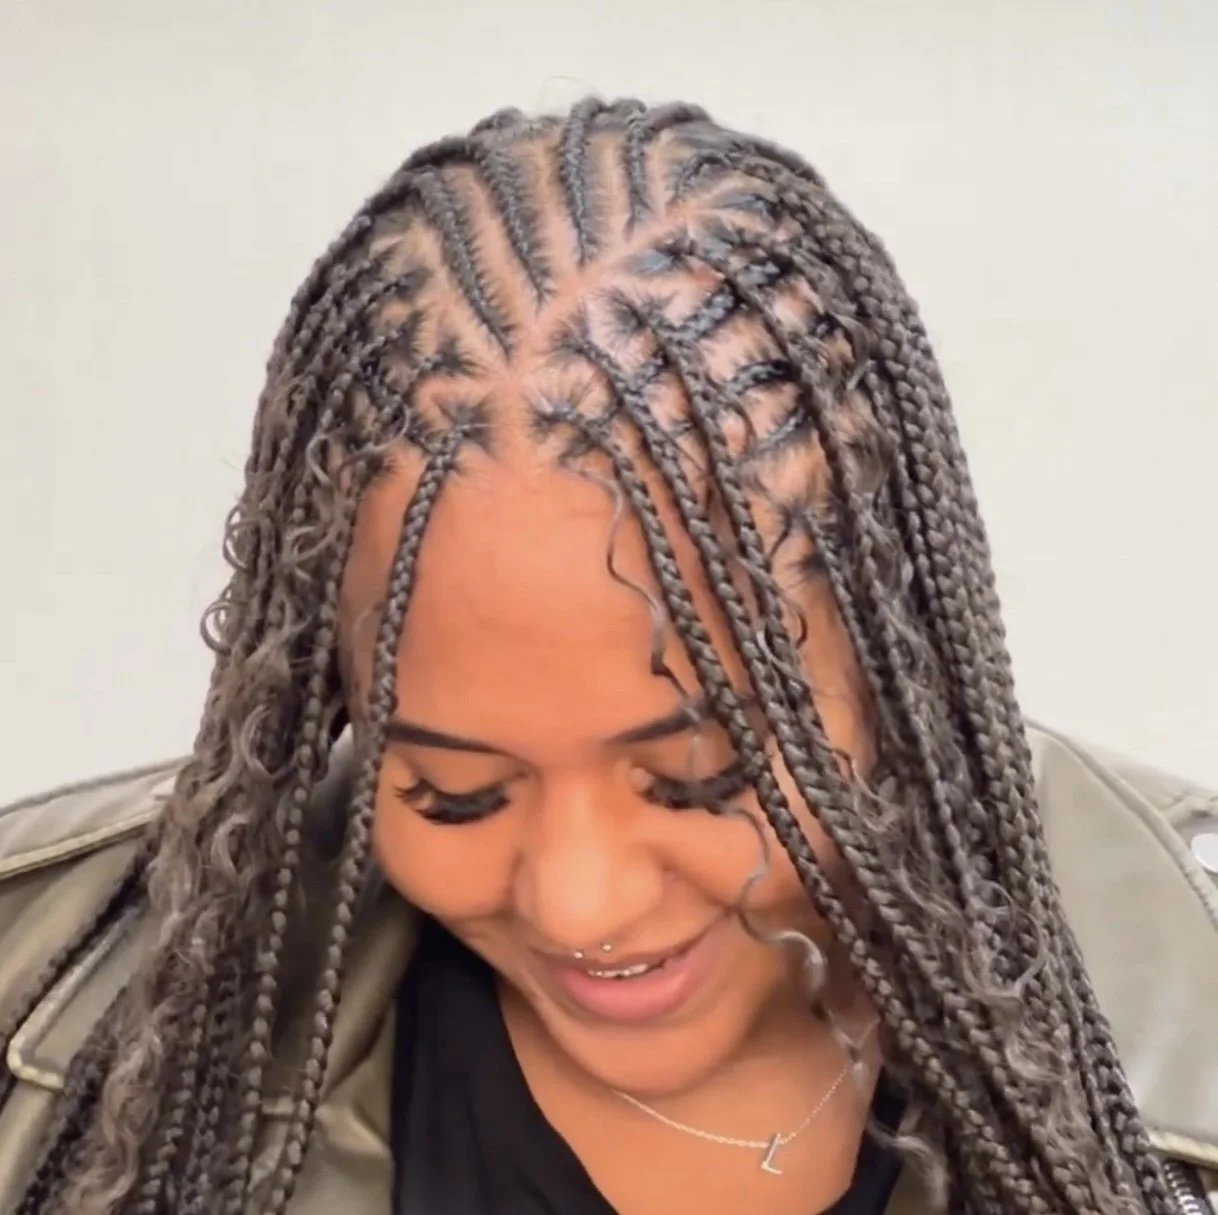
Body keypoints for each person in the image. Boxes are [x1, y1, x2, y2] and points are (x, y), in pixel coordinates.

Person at [0, 98, 1214, 1215]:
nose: (581, 903)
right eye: (455, 792)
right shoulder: (40, 988)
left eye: (699, 779)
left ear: (907, 666)